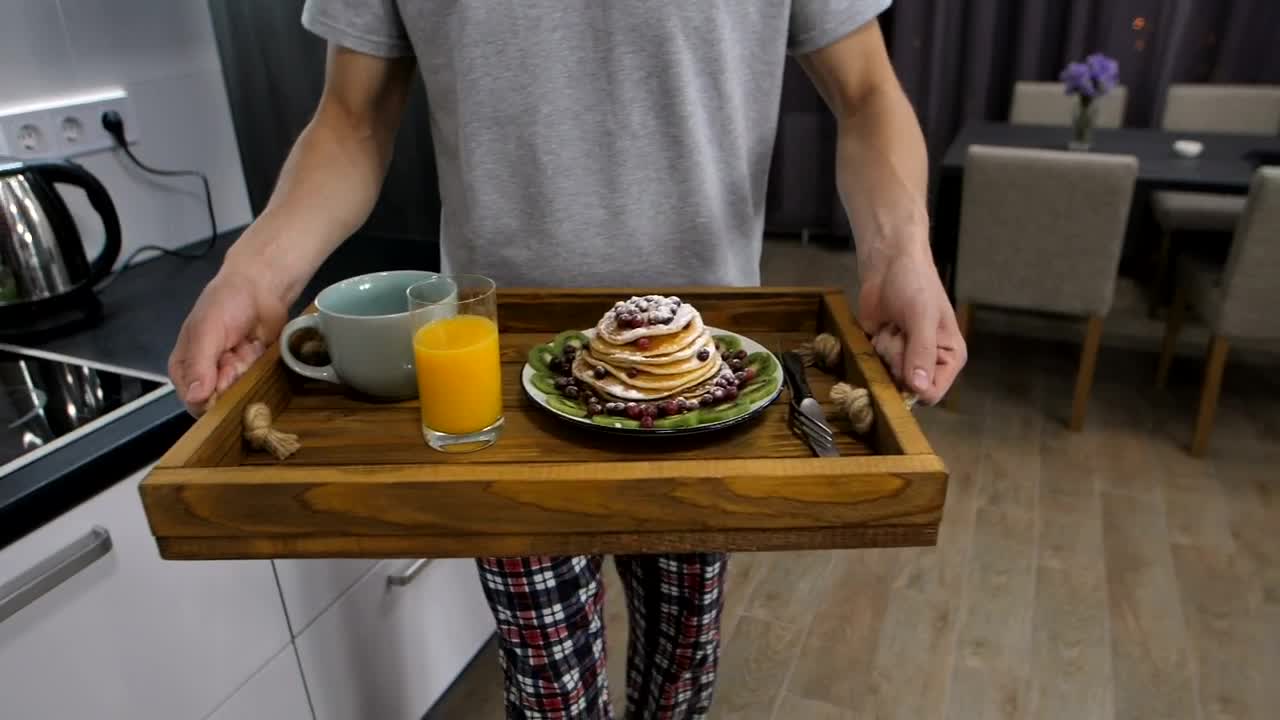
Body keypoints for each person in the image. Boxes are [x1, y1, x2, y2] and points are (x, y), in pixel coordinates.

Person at [168, 1, 966, 717]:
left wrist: (903, 253)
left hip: (705, 388)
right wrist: (254, 273)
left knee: (681, 678)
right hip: (502, 384)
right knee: (549, 695)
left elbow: (865, 91)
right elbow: (352, 117)